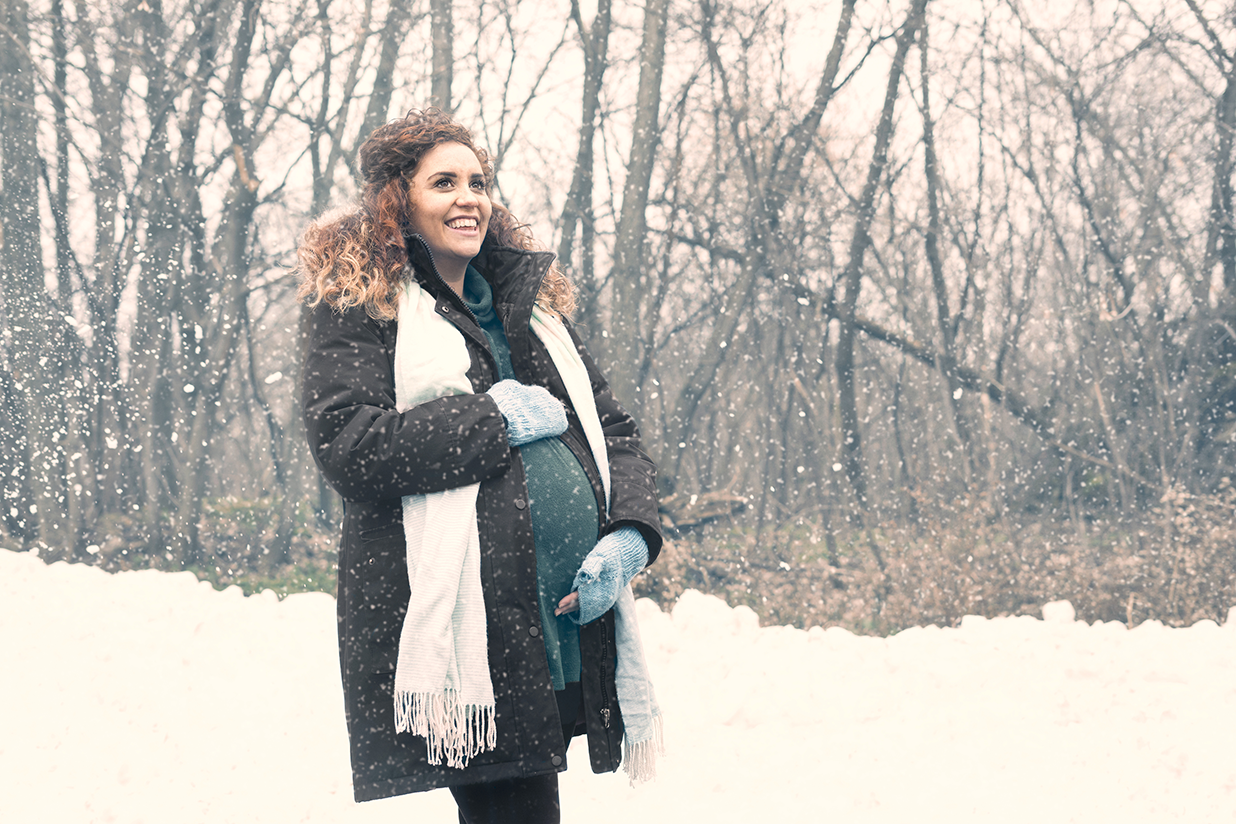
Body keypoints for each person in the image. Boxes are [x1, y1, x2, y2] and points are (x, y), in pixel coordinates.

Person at [297, 108, 664, 823]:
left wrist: (629, 537)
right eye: (444, 182)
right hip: (464, 624)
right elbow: (350, 444)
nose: (469, 197)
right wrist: (492, 419)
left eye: (478, 181)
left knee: (527, 804)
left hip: (555, 615)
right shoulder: (364, 306)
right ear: (397, 199)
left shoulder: (526, 306)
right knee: (517, 810)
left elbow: (613, 432)